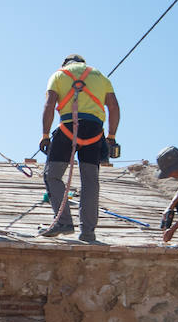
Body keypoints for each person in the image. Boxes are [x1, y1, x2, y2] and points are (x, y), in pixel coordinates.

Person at [37, 54, 119, 243]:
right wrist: (111, 137)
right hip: (94, 132)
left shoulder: (59, 75)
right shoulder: (100, 76)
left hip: (67, 129)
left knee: (52, 175)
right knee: (90, 182)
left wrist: (45, 135)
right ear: (83, 64)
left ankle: (64, 222)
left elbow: (49, 105)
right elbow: (113, 106)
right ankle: (88, 232)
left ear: (66, 64)